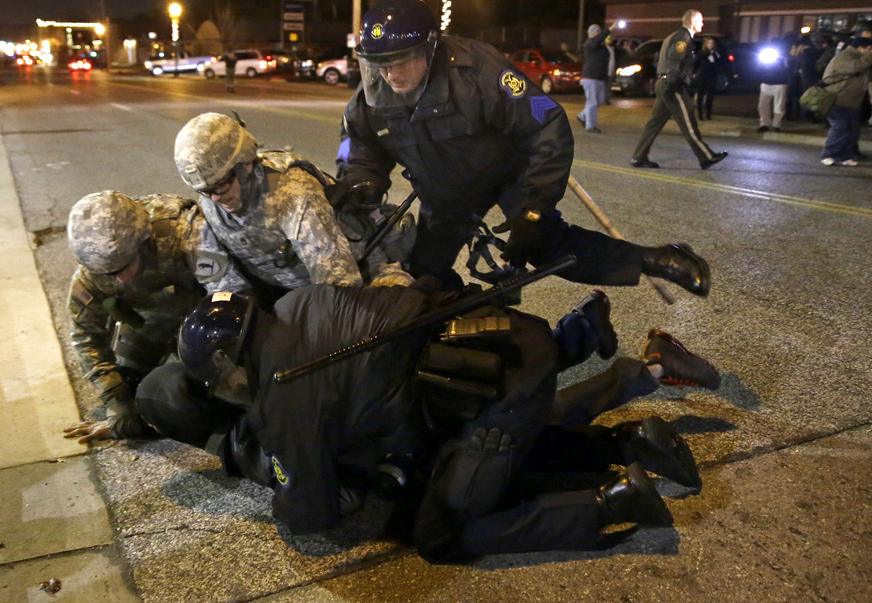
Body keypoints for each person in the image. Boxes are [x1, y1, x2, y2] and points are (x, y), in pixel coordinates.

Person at [135, 284, 718, 554]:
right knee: (466, 455)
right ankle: (633, 440)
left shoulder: (285, 400)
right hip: (510, 340)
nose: (229, 394)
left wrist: (271, 476)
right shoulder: (297, 303)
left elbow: (312, 514)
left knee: (441, 533)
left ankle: (615, 502)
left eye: (222, 384)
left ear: (227, 367)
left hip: (494, 402)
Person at [336, 0, 712, 298]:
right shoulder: (375, 93)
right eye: (379, 64)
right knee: (420, 273)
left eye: (400, 61)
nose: (389, 74)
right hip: (444, 187)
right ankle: (465, 314)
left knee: (547, 246)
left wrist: (534, 208)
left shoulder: (479, 71)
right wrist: (358, 180)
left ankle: (657, 258)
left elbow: (547, 123)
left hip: (505, 172)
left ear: (428, 49)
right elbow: (359, 141)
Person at [61, 190, 245, 444]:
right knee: (137, 395)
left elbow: (233, 298)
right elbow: (85, 336)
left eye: (124, 266)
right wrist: (118, 403)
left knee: (231, 389)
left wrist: (220, 362)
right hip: (156, 322)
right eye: (109, 273)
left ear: (143, 241)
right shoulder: (95, 269)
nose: (120, 279)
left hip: (205, 317)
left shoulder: (183, 233)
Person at [174, 112, 412, 305]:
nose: (215, 198)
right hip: (286, 292)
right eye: (205, 190)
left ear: (245, 166)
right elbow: (226, 291)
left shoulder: (292, 194)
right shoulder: (210, 204)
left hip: (361, 278)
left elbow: (339, 288)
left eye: (221, 185)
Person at [631, 10, 727, 170]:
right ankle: (706, 156)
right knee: (689, 122)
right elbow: (674, 61)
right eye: (701, 20)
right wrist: (675, 82)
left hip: (664, 84)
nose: (703, 24)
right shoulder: (682, 38)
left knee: (654, 124)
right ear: (692, 22)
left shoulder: (673, 36)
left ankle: (638, 157)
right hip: (672, 86)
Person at [818, 36, 872, 167]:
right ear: (861, 48)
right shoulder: (844, 56)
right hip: (836, 99)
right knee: (840, 127)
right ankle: (828, 154)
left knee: (853, 131)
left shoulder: (864, 60)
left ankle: (845, 156)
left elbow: (868, 79)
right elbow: (854, 68)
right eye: (869, 49)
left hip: (853, 102)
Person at [576, 23, 616, 133]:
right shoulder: (589, 43)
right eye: (598, 31)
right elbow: (597, 39)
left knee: (599, 100)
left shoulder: (601, 46)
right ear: (594, 33)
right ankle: (590, 126)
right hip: (590, 77)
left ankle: (582, 115)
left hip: (599, 78)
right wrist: (609, 29)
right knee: (592, 102)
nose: (600, 33)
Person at [756, 41, 792, 133]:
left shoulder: (784, 57)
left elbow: (787, 69)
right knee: (763, 105)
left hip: (780, 83)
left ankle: (776, 124)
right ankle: (764, 124)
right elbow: (759, 68)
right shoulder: (764, 56)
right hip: (766, 83)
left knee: (779, 106)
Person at [693, 37, 722, 121]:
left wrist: (714, 61)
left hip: (712, 77)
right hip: (702, 76)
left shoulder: (715, 54)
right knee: (700, 95)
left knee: (710, 96)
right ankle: (700, 114)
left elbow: (720, 65)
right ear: (706, 44)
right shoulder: (701, 54)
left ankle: (708, 114)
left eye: (712, 43)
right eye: (709, 43)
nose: (711, 45)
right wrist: (694, 73)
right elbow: (696, 64)